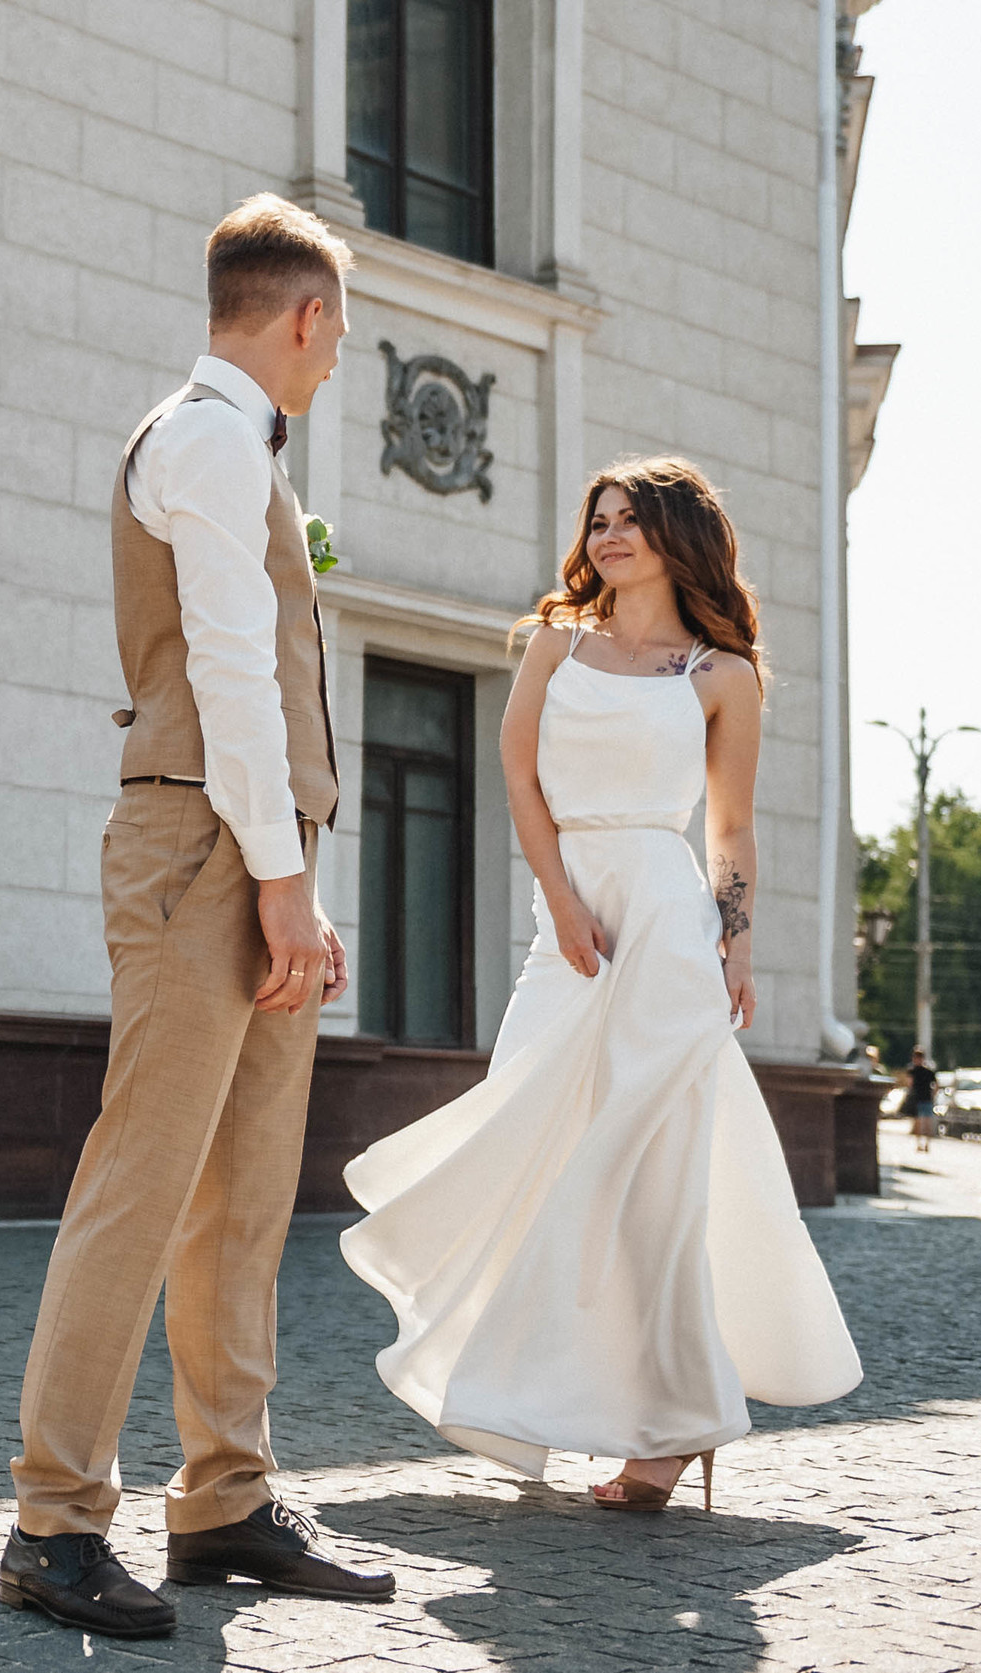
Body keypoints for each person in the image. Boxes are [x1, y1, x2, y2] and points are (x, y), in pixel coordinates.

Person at [0, 195, 395, 1641]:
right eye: (338, 331)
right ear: (302, 318)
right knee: (145, 1177)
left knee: (241, 1192)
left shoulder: (235, 450)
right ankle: (54, 1522)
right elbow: (230, 669)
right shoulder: (213, 441)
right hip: (198, 847)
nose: (337, 358)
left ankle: (225, 1499)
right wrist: (281, 881)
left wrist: (297, 878)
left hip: (247, 844)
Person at [338, 457, 863, 1514]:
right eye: (600, 518)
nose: (610, 533)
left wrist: (738, 951)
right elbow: (519, 778)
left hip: (669, 929)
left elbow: (729, 827)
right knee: (532, 1148)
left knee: (648, 1185)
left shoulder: (720, 676)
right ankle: (536, 1388)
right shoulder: (554, 642)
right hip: (567, 928)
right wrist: (561, 902)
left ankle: (670, 1428)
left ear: (677, 535)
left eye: (631, 518)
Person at [906, 1047, 939, 1153]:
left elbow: (936, 1084)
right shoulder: (912, 1071)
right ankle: (919, 1144)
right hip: (917, 1099)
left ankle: (926, 1144)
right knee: (918, 1123)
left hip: (926, 1099)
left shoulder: (928, 1072)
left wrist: (933, 1094)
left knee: (927, 1123)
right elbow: (909, 1084)